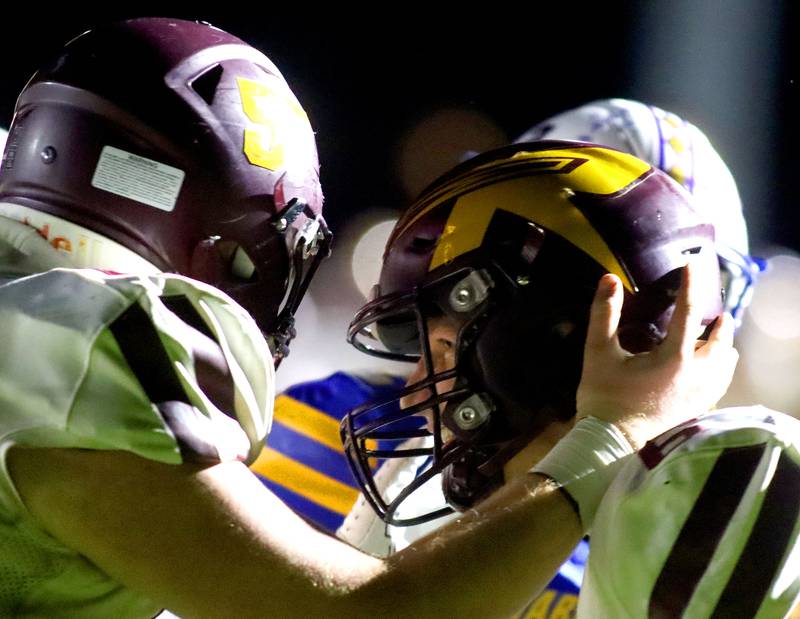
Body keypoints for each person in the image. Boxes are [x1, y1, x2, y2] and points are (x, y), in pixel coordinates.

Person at [0, 19, 730, 618]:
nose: (413, 390)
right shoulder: (84, 339)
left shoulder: (33, 324)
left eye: (441, 343)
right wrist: (609, 436)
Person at [343, 138, 798, 617]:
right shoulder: (435, 506)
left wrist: (606, 437)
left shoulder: (730, 482)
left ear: (545, 347)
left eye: (443, 348)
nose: (415, 388)